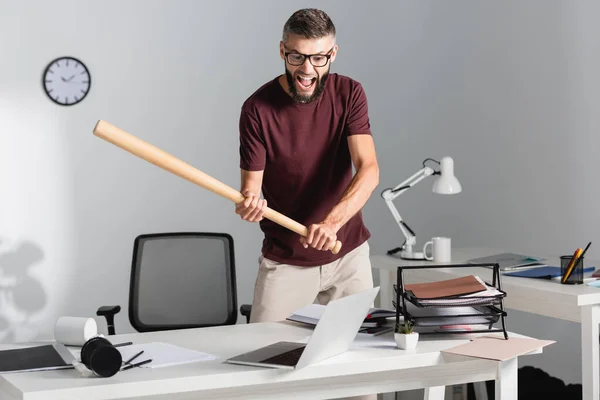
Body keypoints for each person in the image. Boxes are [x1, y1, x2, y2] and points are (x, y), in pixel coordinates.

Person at [237, 8, 379, 330]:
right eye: (297, 57)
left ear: (333, 53)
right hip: (287, 260)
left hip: (347, 254)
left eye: (319, 59)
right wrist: (251, 205)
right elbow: (251, 190)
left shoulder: (349, 93)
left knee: (359, 358)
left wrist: (330, 224)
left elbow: (369, 170)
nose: (307, 70)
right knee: (266, 356)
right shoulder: (257, 109)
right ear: (282, 51)